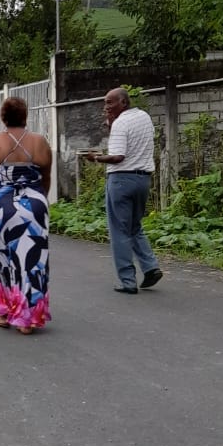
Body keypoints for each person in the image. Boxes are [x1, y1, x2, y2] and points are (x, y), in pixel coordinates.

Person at [0, 96, 52, 334]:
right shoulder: (40, 142)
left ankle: (4, 314)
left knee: (0, 258)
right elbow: (46, 177)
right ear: (25, 116)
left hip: (1, 207)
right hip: (35, 205)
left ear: (3, 118)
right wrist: (38, 200)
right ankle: (28, 319)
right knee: (32, 260)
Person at [86, 88, 163, 294]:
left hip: (121, 180)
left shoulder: (121, 123)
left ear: (123, 103)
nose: (106, 107)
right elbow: (132, 145)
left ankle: (127, 281)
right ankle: (151, 267)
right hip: (143, 180)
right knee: (134, 226)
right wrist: (112, 125)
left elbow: (118, 156)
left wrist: (96, 158)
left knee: (119, 231)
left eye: (110, 103)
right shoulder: (144, 117)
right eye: (106, 103)